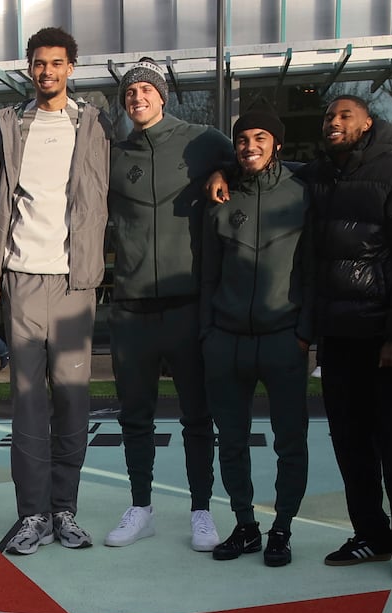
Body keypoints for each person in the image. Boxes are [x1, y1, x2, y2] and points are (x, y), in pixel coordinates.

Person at [0, 25, 112, 556]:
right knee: (28, 406)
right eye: (39, 63)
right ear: (29, 68)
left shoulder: (92, 125)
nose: (48, 72)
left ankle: (65, 511)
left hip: (75, 282)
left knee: (74, 402)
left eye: (57, 63)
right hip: (21, 278)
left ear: (70, 69)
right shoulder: (7, 126)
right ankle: (32, 514)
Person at [102, 57, 234, 552]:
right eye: (130, 93)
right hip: (131, 307)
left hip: (188, 305)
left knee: (197, 417)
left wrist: (222, 170)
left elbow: (252, 166)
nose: (137, 98)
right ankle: (141, 508)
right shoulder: (112, 153)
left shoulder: (204, 140)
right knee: (134, 417)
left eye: (146, 90)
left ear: (163, 96)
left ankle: (201, 510)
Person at [307, 95, 392, 583]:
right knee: (351, 446)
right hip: (338, 339)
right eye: (328, 116)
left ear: (367, 123)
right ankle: (371, 534)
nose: (333, 122)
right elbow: (263, 179)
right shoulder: (320, 176)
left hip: (387, 338)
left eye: (344, 115)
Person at [198, 109, 312, 567]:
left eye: (260, 137)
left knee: (290, 441)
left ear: (277, 144)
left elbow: (313, 269)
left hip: (284, 336)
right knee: (232, 440)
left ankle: (282, 528)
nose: (250, 146)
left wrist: (305, 332)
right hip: (226, 340)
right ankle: (245, 526)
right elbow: (208, 273)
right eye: (242, 139)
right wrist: (208, 333)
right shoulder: (221, 198)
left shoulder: (305, 193)